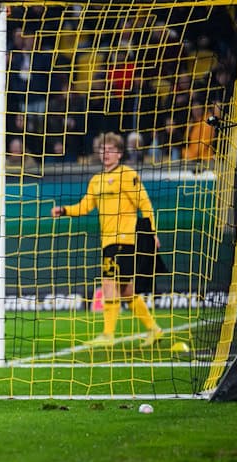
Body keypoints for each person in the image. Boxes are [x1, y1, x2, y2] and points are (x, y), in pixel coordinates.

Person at [51, 131, 163, 347]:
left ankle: (108, 335)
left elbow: (145, 204)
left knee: (109, 284)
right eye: (103, 150)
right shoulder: (96, 181)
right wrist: (64, 210)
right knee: (126, 290)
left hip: (125, 239)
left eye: (111, 150)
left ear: (120, 154)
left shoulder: (127, 174)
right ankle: (154, 329)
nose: (106, 154)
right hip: (108, 241)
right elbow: (85, 206)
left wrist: (152, 233)